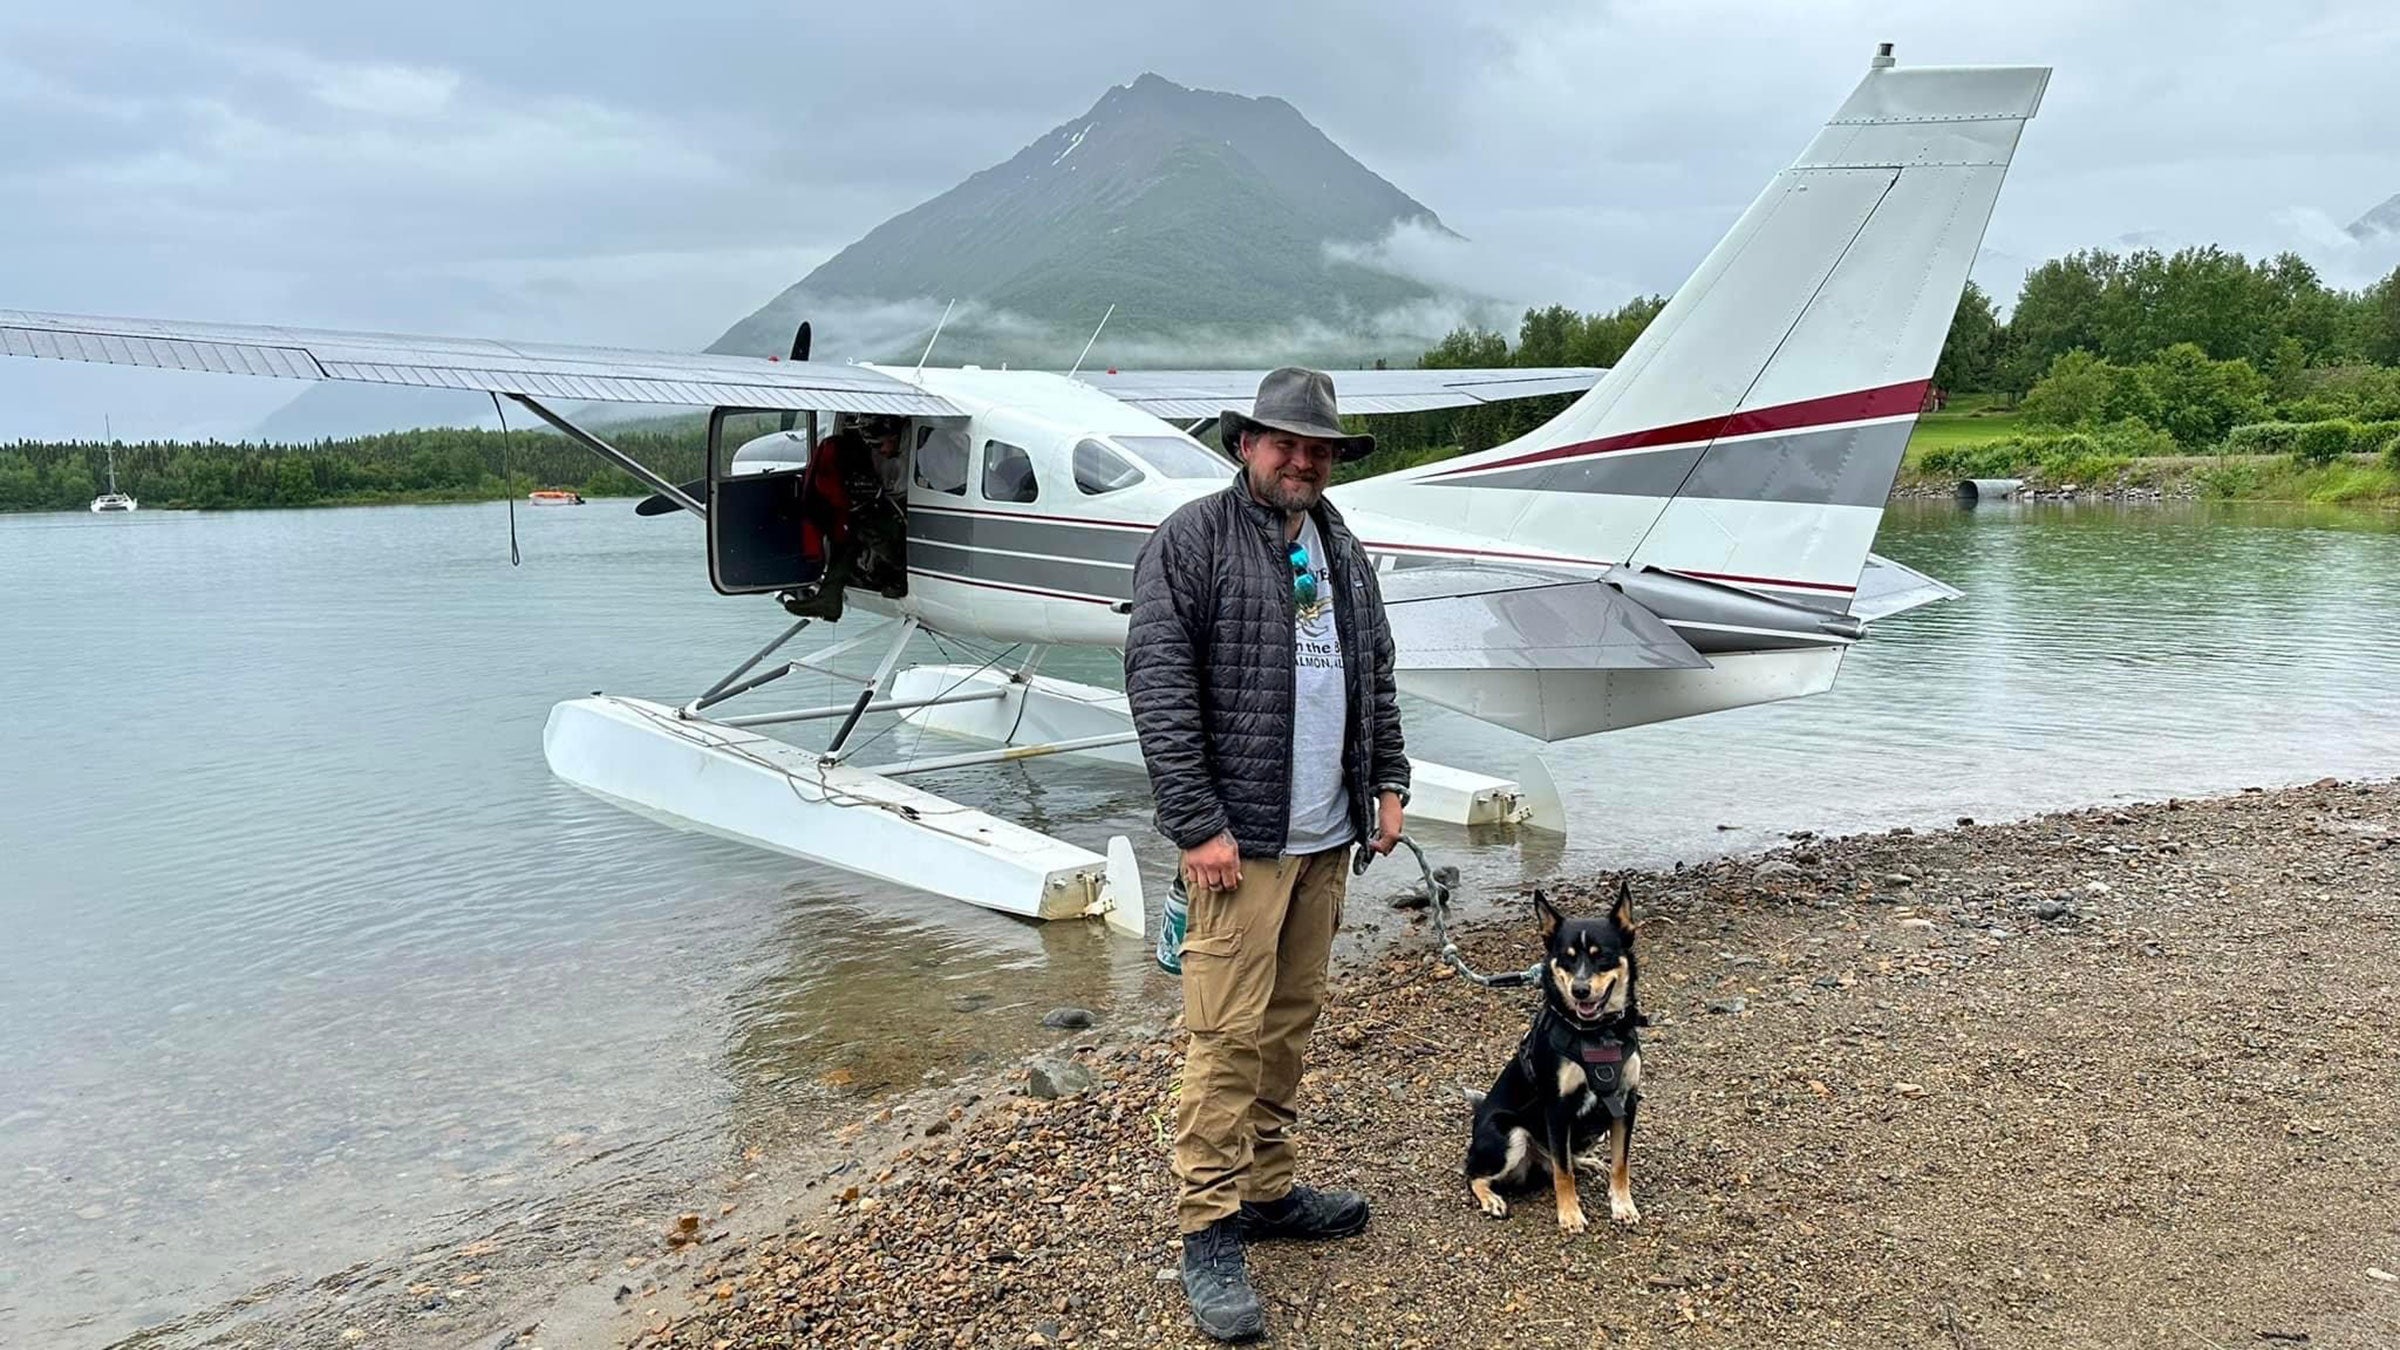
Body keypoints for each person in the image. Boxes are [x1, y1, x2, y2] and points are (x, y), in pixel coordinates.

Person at [1124, 366, 1409, 1342]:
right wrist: (1196, 823)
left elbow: (1374, 668)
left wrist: (1389, 779)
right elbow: (1159, 684)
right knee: (1223, 1036)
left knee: (1288, 1024)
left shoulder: (1340, 544)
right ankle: (1207, 1229)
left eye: (1320, 447)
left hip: (1328, 839)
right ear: (1245, 443)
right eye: (1286, 442)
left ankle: (1268, 1191)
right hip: (1239, 848)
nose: (1304, 460)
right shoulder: (1191, 540)